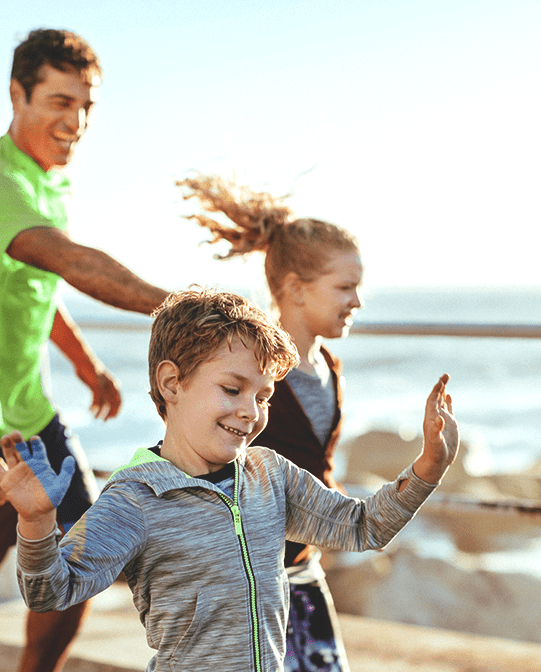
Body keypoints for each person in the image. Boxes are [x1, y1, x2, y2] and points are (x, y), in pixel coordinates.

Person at [0, 287, 458, 672]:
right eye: (231, 389)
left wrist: (428, 468)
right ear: (172, 384)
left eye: (264, 396)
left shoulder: (269, 474)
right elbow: (51, 591)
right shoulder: (136, 498)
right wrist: (37, 520)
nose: (250, 412)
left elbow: (362, 526)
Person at [0, 28, 168, 672]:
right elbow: (66, 260)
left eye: (87, 105)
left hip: (29, 414)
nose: (77, 121)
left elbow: (35, 285)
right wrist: (183, 305)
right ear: (17, 94)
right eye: (61, 101)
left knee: (84, 555)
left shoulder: (46, 184)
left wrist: (86, 364)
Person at [179, 174, 362, 671]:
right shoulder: (251, 375)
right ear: (296, 290)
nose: (357, 301)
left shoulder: (330, 369)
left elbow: (312, 464)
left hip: (302, 569)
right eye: (345, 287)